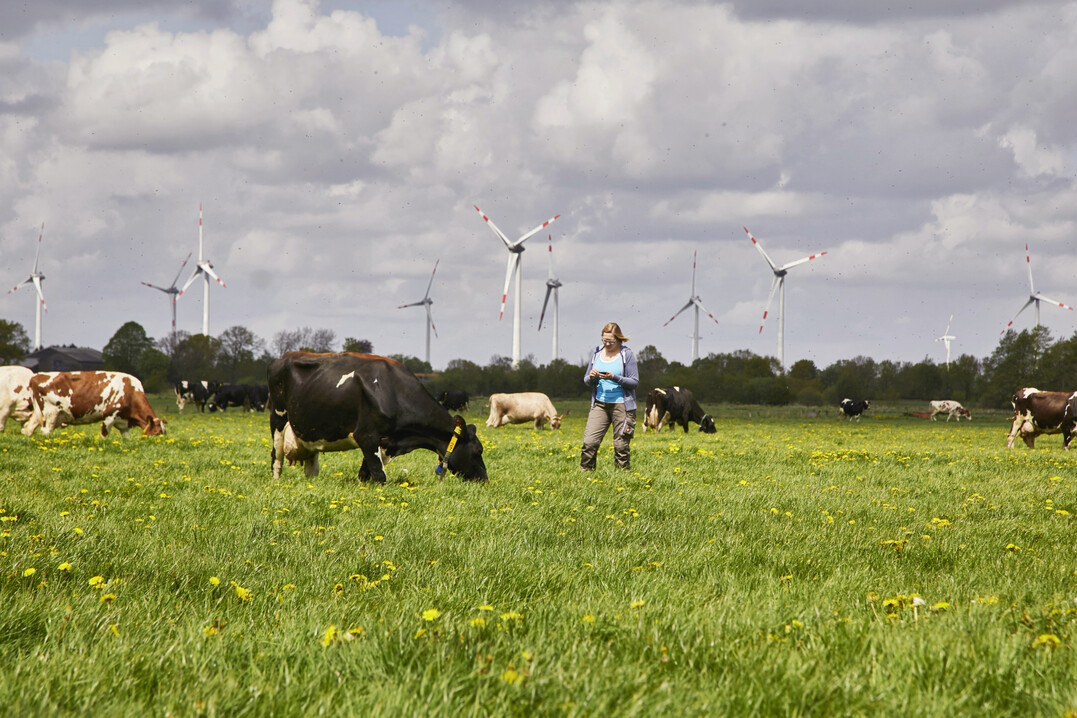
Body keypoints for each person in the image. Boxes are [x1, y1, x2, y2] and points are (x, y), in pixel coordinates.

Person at [580, 322, 639, 471]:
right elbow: (586, 380)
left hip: (622, 406)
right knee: (590, 442)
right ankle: (585, 475)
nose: (607, 344)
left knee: (621, 445)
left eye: (610, 341)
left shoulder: (626, 355)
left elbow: (634, 382)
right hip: (600, 404)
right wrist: (592, 377)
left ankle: (622, 479)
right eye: (604, 340)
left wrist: (614, 377)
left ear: (618, 339)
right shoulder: (596, 353)